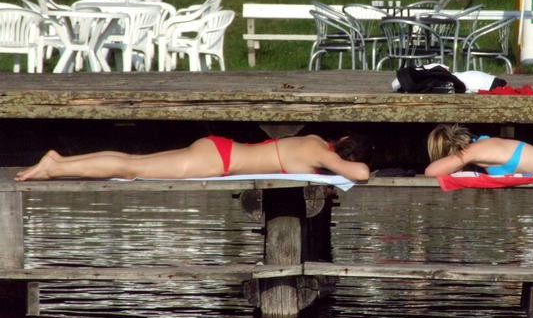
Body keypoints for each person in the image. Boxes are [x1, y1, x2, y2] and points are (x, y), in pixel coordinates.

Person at [15, 133, 373, 182]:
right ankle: (55, 168)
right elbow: (359, 174)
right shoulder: (320, 154)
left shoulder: (313, 139)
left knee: (132, 159)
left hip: (219, 148)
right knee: (130, 168)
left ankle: (58, 161)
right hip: (216, 162)